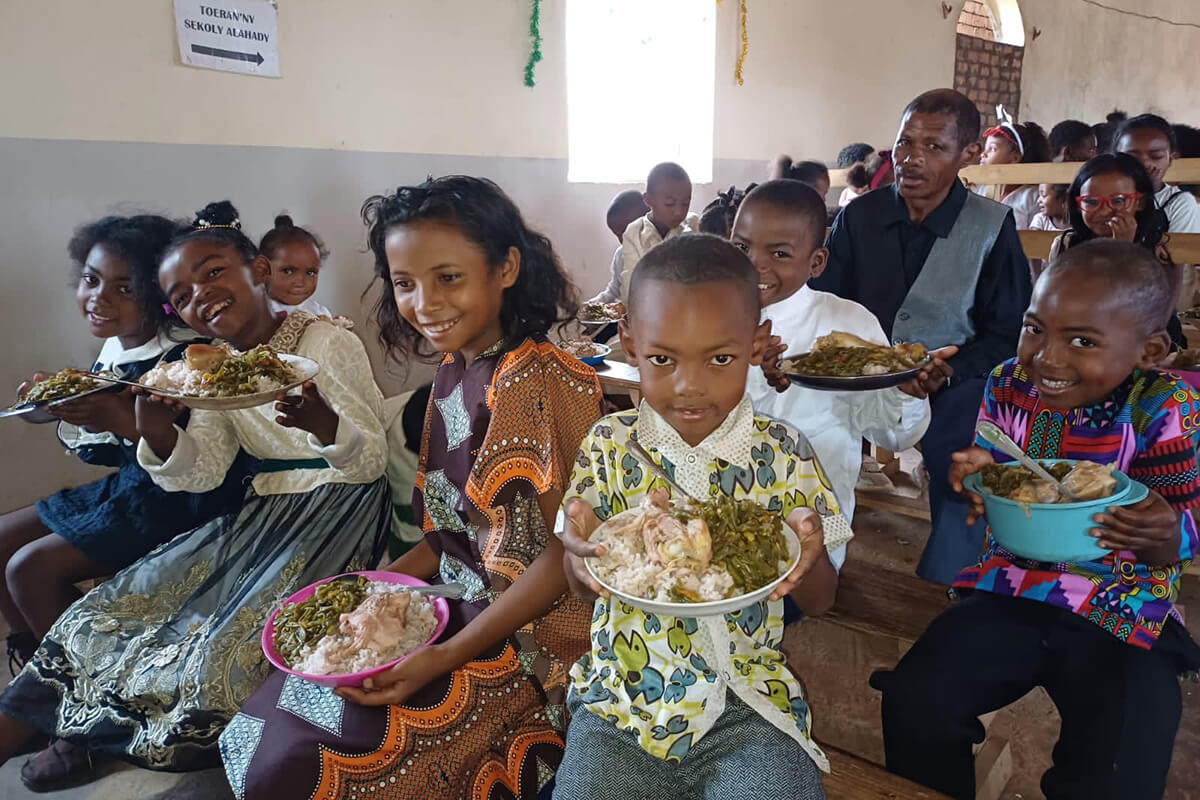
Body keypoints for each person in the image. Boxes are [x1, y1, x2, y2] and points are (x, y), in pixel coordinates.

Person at [221, 176, 603, 800]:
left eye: (448, 277)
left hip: (534, 637)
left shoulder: (545, 382)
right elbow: (446, 536)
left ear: (505, 268)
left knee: (317, 759)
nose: (424, 302)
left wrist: (442, 657)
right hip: (452, 602)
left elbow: (567, 556)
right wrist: (365, 599)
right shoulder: (455, 371)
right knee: (275, 718)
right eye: (405, 283)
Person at [0, 201, 390, 789]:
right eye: (180, 295)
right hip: (263, 507)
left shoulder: (324, 341)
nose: (199, 296)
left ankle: (212, 758)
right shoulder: (204, 368)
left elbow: (372, 462)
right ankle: (69, 727)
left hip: (337, 503)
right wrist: (158, 432)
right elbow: (203, 471)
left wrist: (322, 423)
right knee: (107, 613)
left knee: (217, 653)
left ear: (259, 270)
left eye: (213, 273)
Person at [874, 241, 1200, 800]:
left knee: (1121, 757)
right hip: (1012, 588)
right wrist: (978, 475)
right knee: (916, 702)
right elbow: (993, 460)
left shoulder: (1163, 407)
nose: (1047, 358)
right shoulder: (1009, 384)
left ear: (1148, 351)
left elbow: (1186, 519)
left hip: (1120, 604)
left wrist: (1171, 535)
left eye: (1082, 341)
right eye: (1035, 328)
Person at [556, 234, 854, 800]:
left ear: (757, 343)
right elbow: (585, 590)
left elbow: (822, 601)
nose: (690, 386)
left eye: (721, 359)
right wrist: (578, 555)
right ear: (628, 342)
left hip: (749, 707)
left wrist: (808, 551)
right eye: (662, 360)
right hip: (621, 708)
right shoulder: (606, 446)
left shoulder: (785, 453)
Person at [2, 215, 252, 672]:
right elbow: (100, 451)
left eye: (124, 288)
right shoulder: (119, 349)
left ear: (159, 299)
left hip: (177, 503)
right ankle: (38, 665)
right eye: (91, 280)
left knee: (29, 569)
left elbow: (189, 459)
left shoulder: (184, 358)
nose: (99, 297)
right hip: (129, 488)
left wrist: (115, 417)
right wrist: (63, 409)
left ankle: (87, 688)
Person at [812, 88, 1032, 584]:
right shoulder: (860, 217)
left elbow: (1008, 330)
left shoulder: (992, 226)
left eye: (934, 147)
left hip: (951, 378)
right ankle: (812, 549)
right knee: (807, 426)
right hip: (856, 377)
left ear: (968, 154)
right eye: (905, 143)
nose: (912, 159)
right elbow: (826, 302)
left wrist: (950, 370)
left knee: (961, 448)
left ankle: (958, 572)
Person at [731, 179, 934, 561]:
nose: (755, 263)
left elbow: (893, 436)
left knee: (798, 598)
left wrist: (905, 395)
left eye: (779, 253)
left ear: (816, 262)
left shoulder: (848, 323)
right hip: (723, 506)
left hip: (814, 520)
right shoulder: (708, 317)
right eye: (742, 247)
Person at [1050, 153, 1185, 350]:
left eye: (1119, 200)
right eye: (1091, 201)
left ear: (1139, 202)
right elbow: (1055, 305)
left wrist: (1123, 252)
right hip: (1078, 344)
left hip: (1143, 349)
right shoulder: (1067, 245)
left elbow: (1150, 316)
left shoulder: (1159, 249)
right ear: (1079, 205)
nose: (1104, 211)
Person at [1114, 114, 1200, 310]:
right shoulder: (1104, 198)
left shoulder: (1179, 204)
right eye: (1133, 156)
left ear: (1171, 159)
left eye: (1156, 156)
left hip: (1156, 307)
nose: (1145, 164)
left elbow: (1172, 269)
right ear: (1116, 158)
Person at [620, 162, 700, 302]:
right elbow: (631, 288)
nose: (678, 211)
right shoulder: (634, 233)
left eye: (685, 203)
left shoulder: (693, 226)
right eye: (669, 203)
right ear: (648, 200)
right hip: (647, 313)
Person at [977, 116, 1051, 229]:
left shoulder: (1031, 197)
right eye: (985, 149)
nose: (983, 154)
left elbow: (1035, 237)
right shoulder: (979, 188)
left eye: (992, 149)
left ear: (1015, 158)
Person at [258, 214, 333, 318]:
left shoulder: (319, 314)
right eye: (288, 271)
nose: (300, 282)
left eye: (310, 273)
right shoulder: (256, 315)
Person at [588, 189, 650, 307]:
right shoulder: (621, 255)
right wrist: (594, 305)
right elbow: (614, 290)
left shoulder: (661, 256)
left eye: (625, 232)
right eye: (617, 235)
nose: (621, 240)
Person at [836, 143, 875, 207]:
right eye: (853, 181)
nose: (861, 190)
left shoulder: (879, 190)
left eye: (865, 178)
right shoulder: (846, 193)